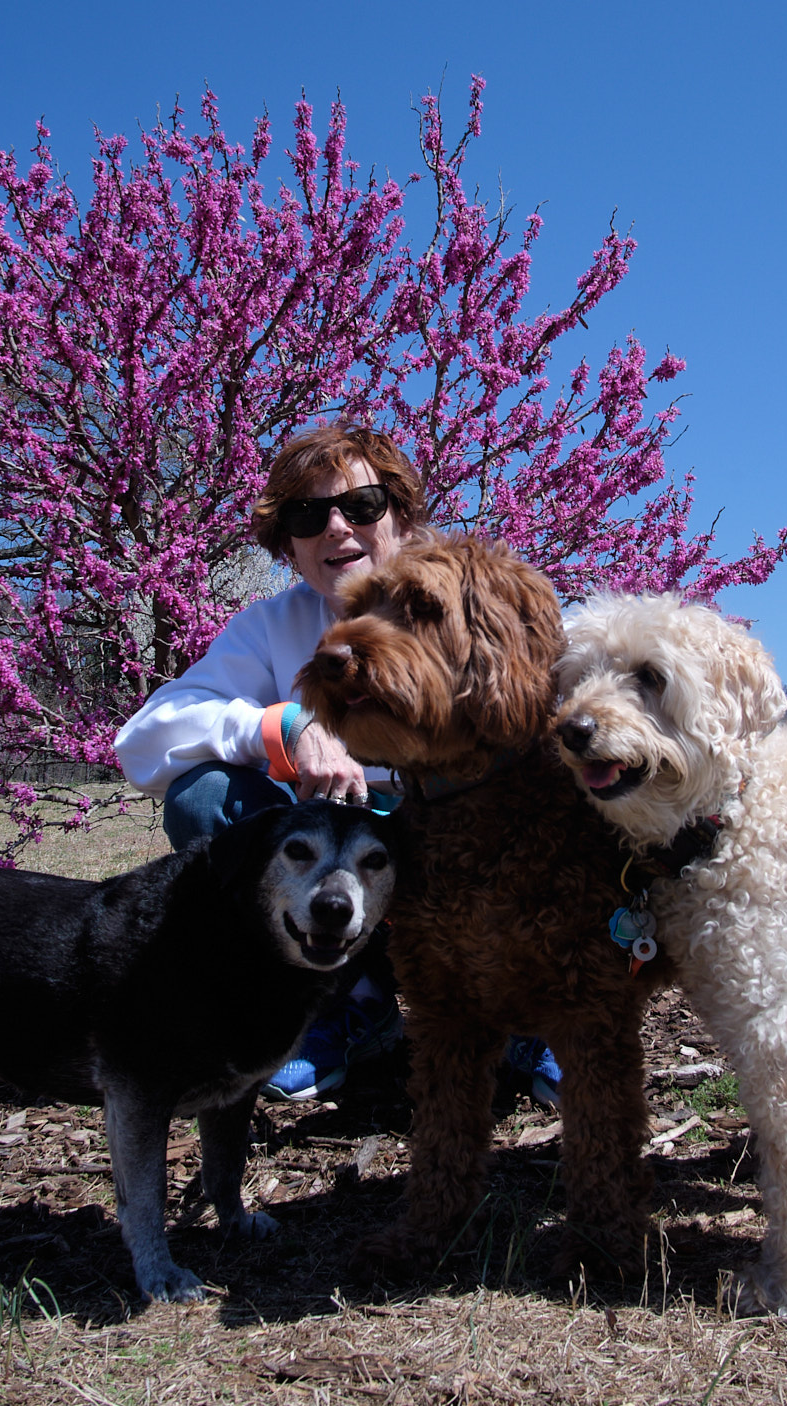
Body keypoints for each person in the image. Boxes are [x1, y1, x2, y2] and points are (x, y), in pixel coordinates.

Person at [114, 425, 560, 1106]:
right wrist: (286, 728)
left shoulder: (470, 596)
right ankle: (348, 998)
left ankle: (535, 1012)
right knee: (202, 798)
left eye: (361, 506)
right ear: (287, 547)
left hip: (469, 842)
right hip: (347, 862)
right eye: (307, 515)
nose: (335, 528)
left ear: (403, 518)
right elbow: (142, 742)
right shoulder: (270, 628)